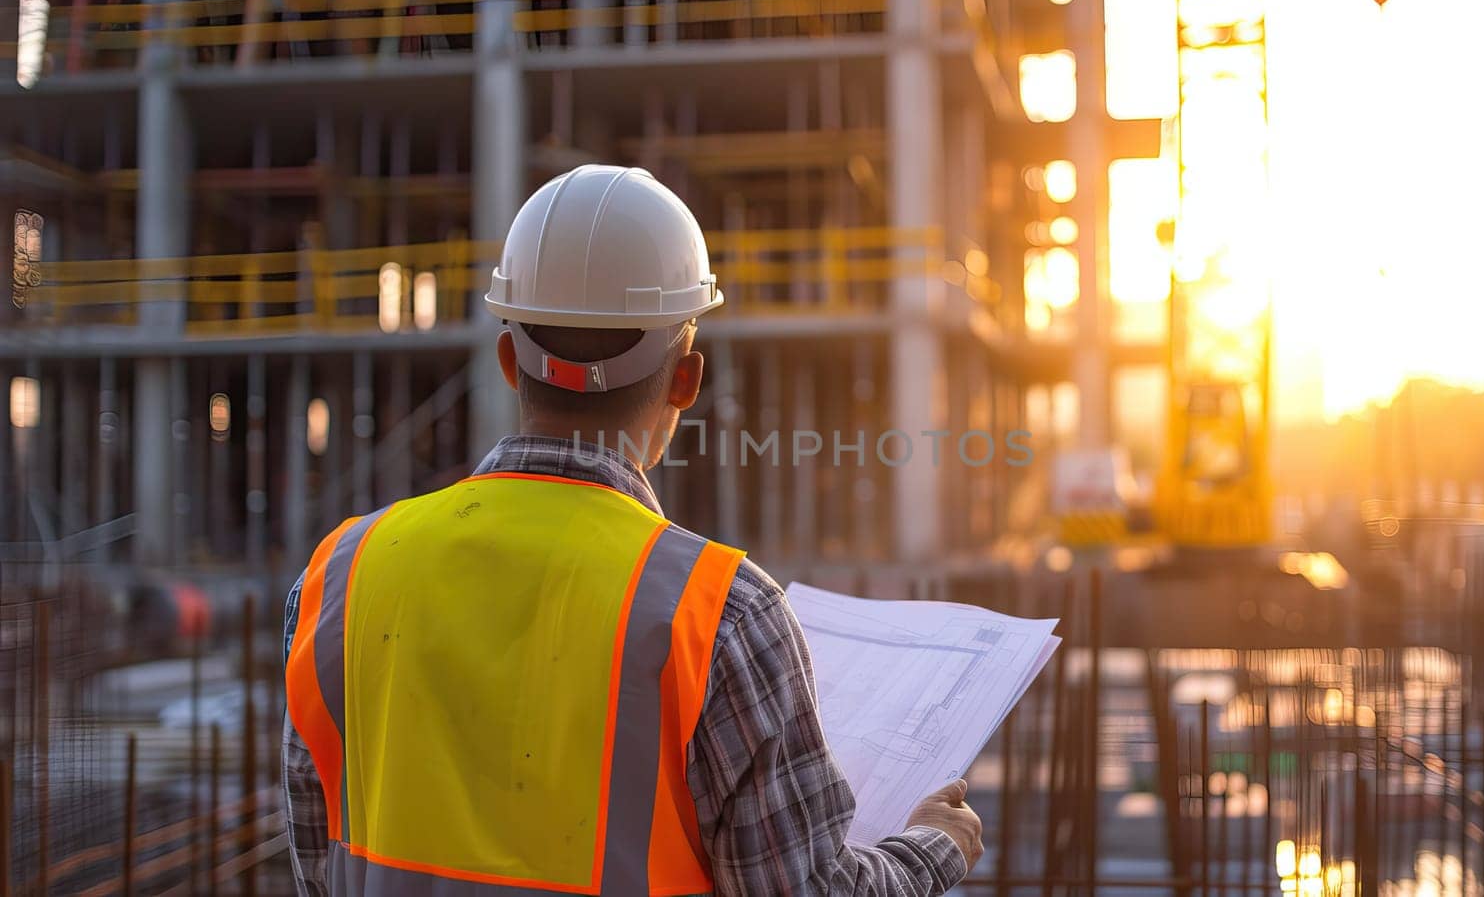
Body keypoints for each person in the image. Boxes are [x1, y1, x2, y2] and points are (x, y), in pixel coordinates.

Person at [281, 164, 983, 896]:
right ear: (686, 379)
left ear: (507, 363)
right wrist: (931, 847)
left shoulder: (343, 574)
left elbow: (316, 859)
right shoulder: (722, 614)